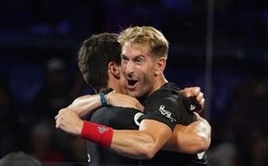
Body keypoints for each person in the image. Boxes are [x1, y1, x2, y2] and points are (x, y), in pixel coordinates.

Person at [56, 29, 210, 165]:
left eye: (138, 60)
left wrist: (82, 127)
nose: (129, 69)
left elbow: (197, 139)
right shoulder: (117, 106)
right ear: (115, 68)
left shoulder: (162, 100)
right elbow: (66, 114)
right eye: (125, 59)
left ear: (159, 65)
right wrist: (105, 98)